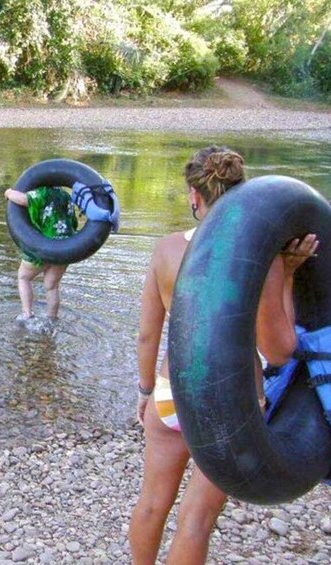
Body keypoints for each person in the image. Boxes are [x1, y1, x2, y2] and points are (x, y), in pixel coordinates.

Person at [130, 146, 318, 565]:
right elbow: (278, 350)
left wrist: (145, 391)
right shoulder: (263, 260)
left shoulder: (166, 250)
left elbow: (147, 334)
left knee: (151, 505)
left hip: (169, 392)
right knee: (195, 519)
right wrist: (287, 276)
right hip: (229, 406)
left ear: (194, 197)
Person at [4, 185, 78, 321]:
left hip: (43, 246)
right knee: (52, 286)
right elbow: (73, 223)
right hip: (64, 249)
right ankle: (52, 318)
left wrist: (8, 192)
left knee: (24, 277)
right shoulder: (66, 196)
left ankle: (27, 313)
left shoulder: (42, 193)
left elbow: (22, 199)